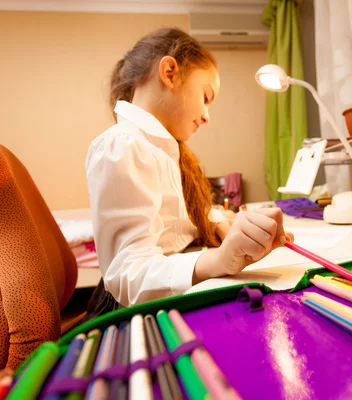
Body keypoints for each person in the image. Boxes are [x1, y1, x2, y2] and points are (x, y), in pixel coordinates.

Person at [85, 27, 292, 317]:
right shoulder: (123, 145)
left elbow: (178, 219)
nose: (207, 115)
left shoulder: (165, 150)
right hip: (129, 312)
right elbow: (127, 275)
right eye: (206, 97)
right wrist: (219, 259)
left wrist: (219, 222)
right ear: (170, 72)